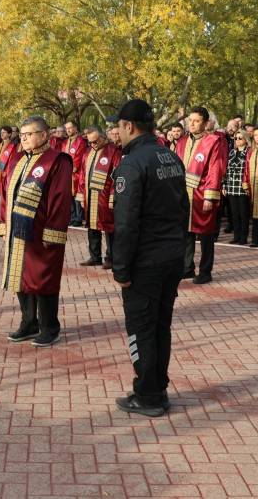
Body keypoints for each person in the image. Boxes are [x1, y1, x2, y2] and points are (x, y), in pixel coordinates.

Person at [110, 98, 189, 417]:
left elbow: (126, 223)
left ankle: (148, 394)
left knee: (141, 328)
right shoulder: (170, 156)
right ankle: (157, 387)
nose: (116, 132)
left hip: (145, 261)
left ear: (128, 126)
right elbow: (184, 209)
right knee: (160, 326)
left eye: (118, 126)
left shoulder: (132, 163)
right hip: (170, 256)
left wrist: (121, 268)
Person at [0, 115, 74, 347]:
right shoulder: (17, 159)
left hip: (42, 232)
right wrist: (4, 223)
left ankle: (50, 327)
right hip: (18, 231)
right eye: (22, 135)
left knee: (43, 278)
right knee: (19, 277)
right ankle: (28, 322)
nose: (24, 138)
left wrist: (53, 232)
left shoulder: (58, 161)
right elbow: (4, 191)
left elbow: (60, 199)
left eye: (29, 134)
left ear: (44, 135)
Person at [174, 106, 227, 284]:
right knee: (185, 233)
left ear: (205, 123)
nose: (193, 124)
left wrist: (210, 196)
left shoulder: (214, 141)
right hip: (183, 195)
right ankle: (187, 268)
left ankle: (206, 271)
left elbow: (216, 169)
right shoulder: (181, 142)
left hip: (202, 194)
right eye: (191, 120)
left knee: (205, 234)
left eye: (197, 121)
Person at [77, 125, 121, 268]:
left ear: (103, 137)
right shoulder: (87, 152)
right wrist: (81, 194)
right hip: (90, 196)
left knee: (109, 228)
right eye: (90, 142)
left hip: (105, 196)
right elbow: (83, 175)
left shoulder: (113, 151)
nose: (93, 144)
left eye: (95, 141)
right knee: (91, 226)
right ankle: (95, 256)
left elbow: (117, 176)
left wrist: (113, 197)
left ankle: (111, 258)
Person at [223, 130, 250, 244]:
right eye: (236, 138)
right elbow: (226, 171)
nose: (237, 140)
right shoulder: (231, 153)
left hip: (242, 188)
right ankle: (236, 236)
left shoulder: (249, 152)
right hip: (231, 187)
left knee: (243, 214)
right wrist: (224, 185)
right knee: (234, 214)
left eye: (240, 138)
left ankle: (243, 237)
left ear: (245, 139)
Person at [64, 122, 88, 227]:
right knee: (69, 196)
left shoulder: (81, 142)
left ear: (75, 128)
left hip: (76, 173)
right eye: (67, 128)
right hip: (66, 172)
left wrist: (72, 168)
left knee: (77, 196)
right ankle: (72, 216)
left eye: (70, 128)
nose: (68, 130)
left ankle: (78, 217)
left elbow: (79, 157)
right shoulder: (65, 142)